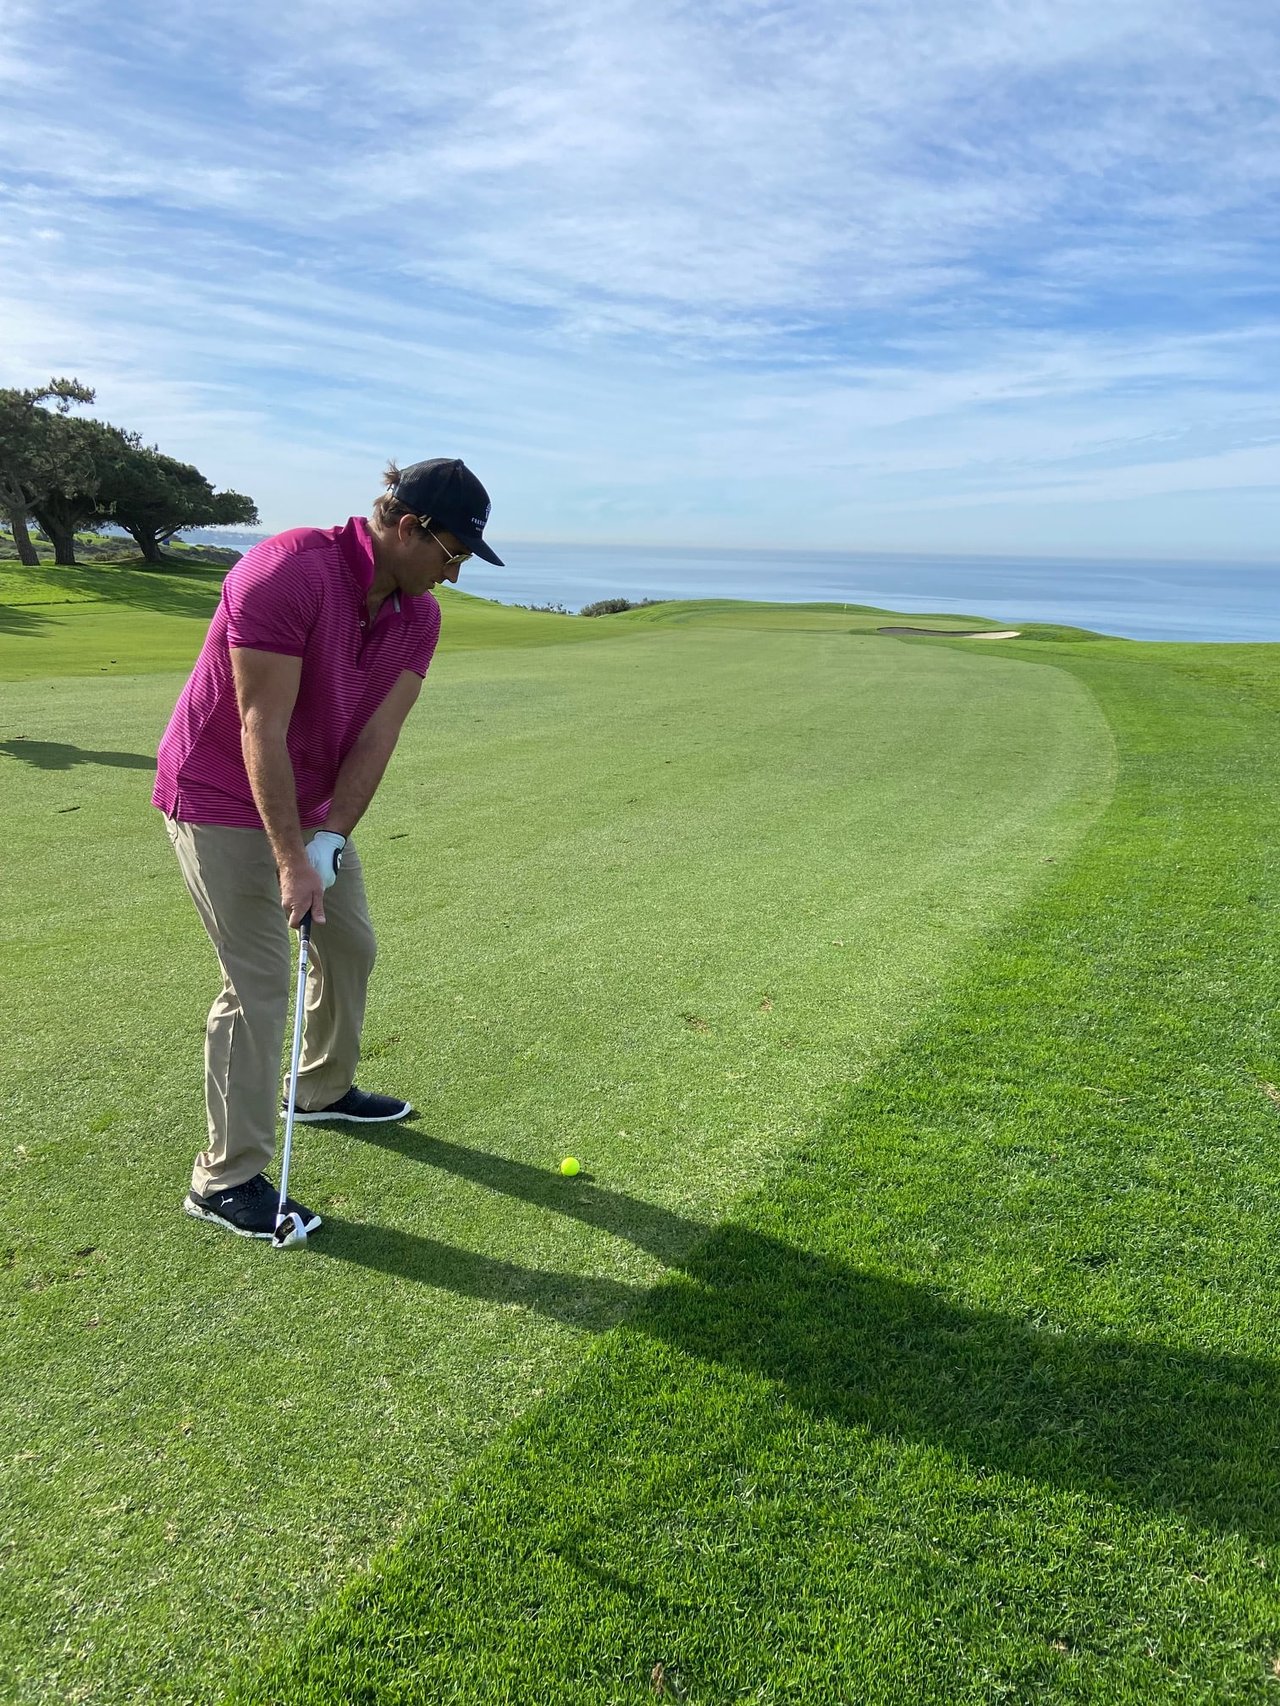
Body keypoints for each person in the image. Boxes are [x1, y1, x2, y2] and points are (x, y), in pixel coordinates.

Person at [153, 457, 503, 1240]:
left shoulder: (419, 614)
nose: (452, 574)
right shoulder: (284, 571)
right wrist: (290, 862)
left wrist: (332, 839)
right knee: (260, 982)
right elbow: (258, 727)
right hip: (217, 794)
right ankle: (224, 1179)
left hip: (312, 802)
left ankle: (315, 1090)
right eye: (451, 554)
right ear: (408, 526)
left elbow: (379, 734)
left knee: (349, 944)